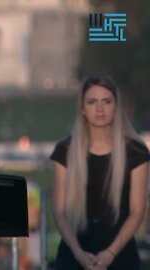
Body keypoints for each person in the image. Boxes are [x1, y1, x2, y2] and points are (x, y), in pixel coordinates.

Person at [50, 73, 150, 270]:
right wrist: (78, 253)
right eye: (92, 102)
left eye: (106, 101)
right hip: (75, 252)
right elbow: (59, 211)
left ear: (116, 106)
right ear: (83, 109)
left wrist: (110, 253)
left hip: (121, 253)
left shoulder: (136, 152)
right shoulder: (65, 151)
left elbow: (137, 211)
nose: (100, 109)